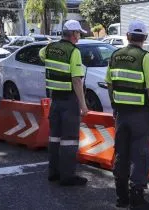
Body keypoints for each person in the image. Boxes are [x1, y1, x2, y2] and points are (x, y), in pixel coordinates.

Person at [105, 20, 149, 209]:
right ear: (145, 38)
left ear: (128, 36)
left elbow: (109, 84)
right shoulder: (145, 57)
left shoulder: (115, 55)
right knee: (140, 155)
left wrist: (115, 106)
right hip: (140, 115)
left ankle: (121, 197)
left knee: (121, 153)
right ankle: (137, 198)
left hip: (121, 114)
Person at [39, 20, 89, 186]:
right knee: (69, 139)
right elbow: (76, 81)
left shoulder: (50, 48)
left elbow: (41, 54)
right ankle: (67, 176)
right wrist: (83, 105)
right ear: (73, 34)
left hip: (55, 100)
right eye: (78, 33)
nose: (79, 36)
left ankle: (53, 172)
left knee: (54, 137)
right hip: (69, 101)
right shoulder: (73, 52)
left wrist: (51, 46)